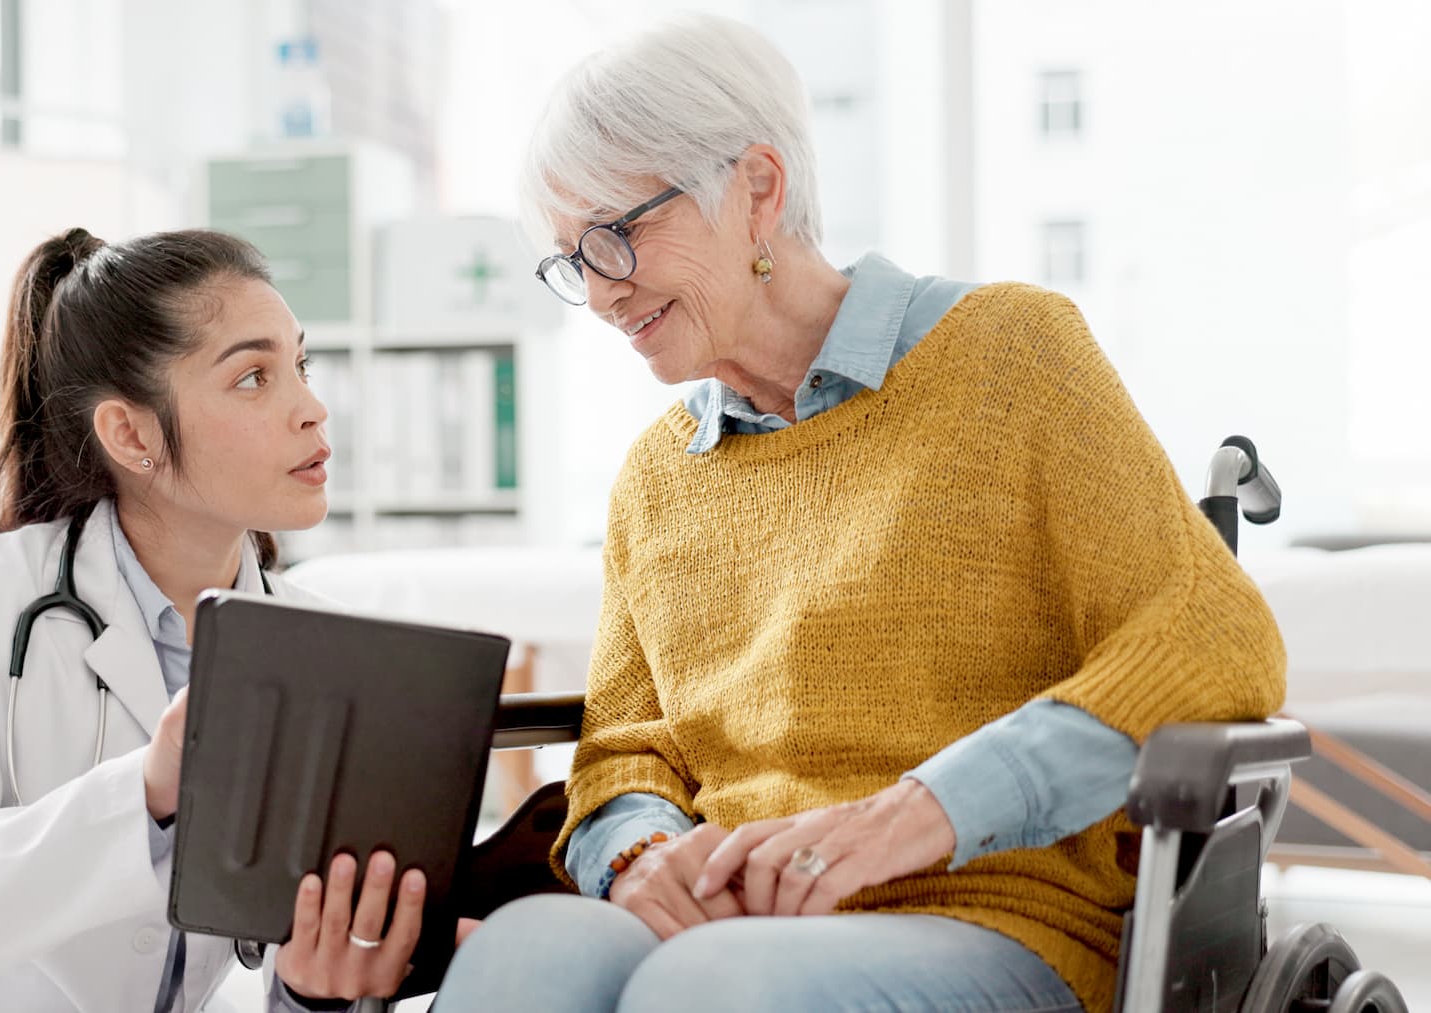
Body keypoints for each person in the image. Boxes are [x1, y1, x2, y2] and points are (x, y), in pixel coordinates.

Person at [434, 15, 1284, 1013]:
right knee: (531, 946)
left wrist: (926, 808)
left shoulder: (1012, 354)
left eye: (618, 235)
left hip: (998, 912)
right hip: (731, 921)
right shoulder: (657, 475)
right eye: (574, 261)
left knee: (709, 984)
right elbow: (628, 744)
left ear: (758, 187)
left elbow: (1214, 629)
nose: (602, 293)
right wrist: (641, 855)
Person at [0, 228, 432, 1012]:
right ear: (131, 434)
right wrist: (146, 792)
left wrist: (310, 994)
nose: (312, 409)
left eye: (300, 367)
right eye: (253, 377)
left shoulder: (323, 647)